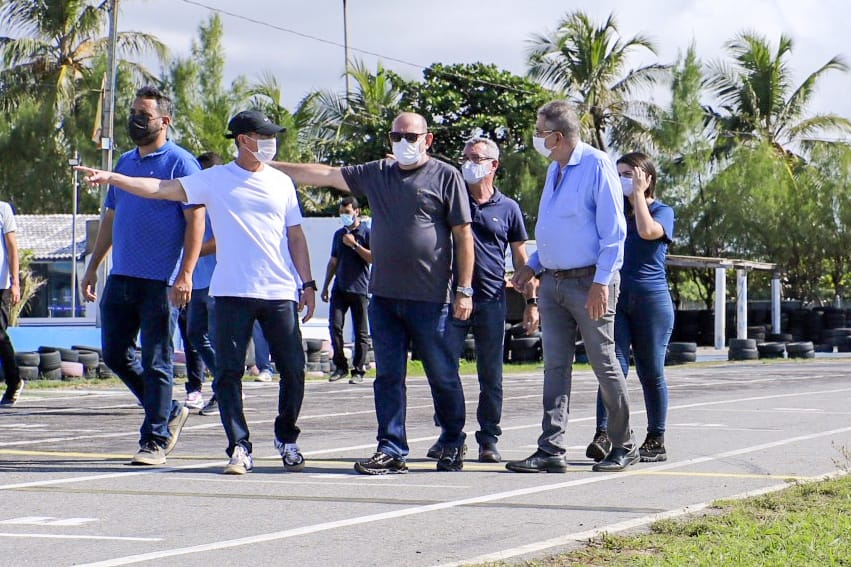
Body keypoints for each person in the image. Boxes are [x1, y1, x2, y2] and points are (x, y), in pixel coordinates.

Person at [77, 110, 316, 477]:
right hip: (231, 291)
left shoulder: (282, 183)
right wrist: (114, 178)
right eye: (262, 135)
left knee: (294, 369)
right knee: (227, 374)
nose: (269, 142)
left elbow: (295, 236)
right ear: (242, 140)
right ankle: (239, 446)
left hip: (279, 290)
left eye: (271, 136)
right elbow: (159, 190)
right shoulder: (215, 179)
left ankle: (287, 438)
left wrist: (308, 283)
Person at [270, 112, 474, 474]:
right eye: (397, 136)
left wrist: (464, 290)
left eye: (412, 136)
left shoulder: (447, 176)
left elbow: (462, 236)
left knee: (441, 373)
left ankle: (453, 439)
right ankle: (392, 448)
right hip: (384, 297)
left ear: (428, 140)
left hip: (432, 300)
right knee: (388, 377)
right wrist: (269, 164)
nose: (404, 142)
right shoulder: (378, 173)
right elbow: (328, 174)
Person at [507, 100, 638, 474]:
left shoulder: (597, 165)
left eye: (539, 132)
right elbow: (556, 230)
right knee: (555, 367)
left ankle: (624, 444)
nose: (535, 138)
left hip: (590, 281)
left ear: (558, 136)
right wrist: (531, 266)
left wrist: (600, 283)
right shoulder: (554, 169)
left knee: (604, 363)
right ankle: (551, 448)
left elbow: (614, 234)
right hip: (553, 283)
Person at [80, 85, 203, 465]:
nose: (136, 119)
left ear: (164, 121)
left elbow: (195, 219)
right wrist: (93, 266)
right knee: (115, 353)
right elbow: (110, 220)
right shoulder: (123, 163)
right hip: (122, 278)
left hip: (161, 282)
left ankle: (153, 440)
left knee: (157, 360)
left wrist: (185, 274)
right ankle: (166, 412)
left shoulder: (181, 163)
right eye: (133, 112)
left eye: (144, 114)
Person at [435, 137, 535, 463]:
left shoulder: (509, 208)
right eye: (464, 157)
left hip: (492, 300)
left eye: (475, 157)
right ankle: (451, 435)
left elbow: (522, 259)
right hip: (453, 300)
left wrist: (532, 301)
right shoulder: (451, 200)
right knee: (443, 370)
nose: (468, 163)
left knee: (491, 375)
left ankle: (488, 438)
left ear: (493, 165)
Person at [586, 152, 675, 463]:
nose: (623, 179)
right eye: (619, 174)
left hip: (651, 300)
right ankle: (605, 434)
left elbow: (648, 231)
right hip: (616, 298)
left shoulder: (662, 210)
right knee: (612, 367)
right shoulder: (613, 212)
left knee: (651, 372)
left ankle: (656, 438)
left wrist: (638, 195)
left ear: (647, 178)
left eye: (629, 174)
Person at [321, 196, 371, 384]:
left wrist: (355, 244)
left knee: (361, 332)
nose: (344, 216)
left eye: (347, 212)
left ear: (356, 212)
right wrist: (325, 285)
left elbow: (372, 258)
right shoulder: (338, 235)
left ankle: (358, 370)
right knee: (335, 327)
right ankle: (340, 366)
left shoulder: (366, 232)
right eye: (341, 213)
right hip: (340, 288)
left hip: (359, 288)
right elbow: (333, 261)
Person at [188, 151, 221, 415]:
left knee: (212, 337)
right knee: (194, 335)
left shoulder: (220, 202)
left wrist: (192, 250)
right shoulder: (198, 201)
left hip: (216, 283)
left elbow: (220, 240)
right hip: (197, 281)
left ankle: (225, 388)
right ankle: (225, 381)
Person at [0, 200, 22, 407]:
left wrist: (15, 283)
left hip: (1, 286)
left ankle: (14, 382)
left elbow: (12, 247)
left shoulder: (3, 209)